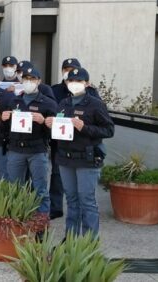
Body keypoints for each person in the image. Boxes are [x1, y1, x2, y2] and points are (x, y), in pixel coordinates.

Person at [46, 67, 114, 236]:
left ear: (87, 84)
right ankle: (71, 241)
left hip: (87, 160)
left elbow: (108, 130)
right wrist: (50, 125)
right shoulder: (63, 104)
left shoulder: (95, 104)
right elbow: (59, 130)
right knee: (71, 201)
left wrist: (84, 127)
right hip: (65, 159)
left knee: (87, 201)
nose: (74, 84)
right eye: (71, 81)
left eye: (79, 81)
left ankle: (89, 243)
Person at [2, 67, 57, 215]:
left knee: (40, 189)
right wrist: (4, 119)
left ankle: (41, 225)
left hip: (37, 151)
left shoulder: (48, 103)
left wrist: (44, 121)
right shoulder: (14, 101)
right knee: (14, 189)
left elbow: (55, 131)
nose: (29, 82)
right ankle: (17, 221)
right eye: (26, 79)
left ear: (39, 81)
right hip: (15, 150)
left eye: (32, 79)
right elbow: (7, 128)